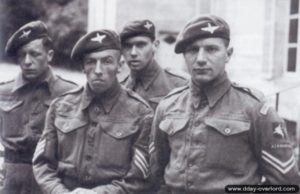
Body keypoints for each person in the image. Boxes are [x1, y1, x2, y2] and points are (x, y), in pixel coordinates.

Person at [150, 15, 300, 194]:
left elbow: (286, 183)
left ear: (228, 54)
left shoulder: (254, 108)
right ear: (184, 56)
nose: (200, 58)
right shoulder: (167, 106)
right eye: (192, 50)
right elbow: (156, 174)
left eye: (211, 49)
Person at [32, 29, 153, 194]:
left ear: (120, 65)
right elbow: (43, 163)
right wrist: (59, 192)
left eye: (107, 61)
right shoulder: (60, 106)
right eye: (90, 62)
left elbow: (139, 178)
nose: (98, 69)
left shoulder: (140, 112)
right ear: (82, 66)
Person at [0, 20, 77, 194]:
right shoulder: (3, 92)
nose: (27, 61)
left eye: (35, 54)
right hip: (12, 183)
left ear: (49, 55)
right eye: (22, 55)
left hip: (52, 181)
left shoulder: (70, 93)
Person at [120, 19, 188, 110]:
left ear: (155, 45)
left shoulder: (180, 85)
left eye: (140, 45)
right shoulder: (119, 88)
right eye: (127, 46)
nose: (133, 53)